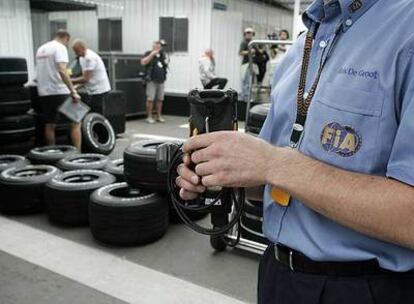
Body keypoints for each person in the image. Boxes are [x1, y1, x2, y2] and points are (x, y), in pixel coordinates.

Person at [176, 0, 414, 303]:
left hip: (363, 288)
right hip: (277, 273)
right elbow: (272, 180)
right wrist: (223, 173)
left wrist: (272, 163)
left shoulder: (406, 29)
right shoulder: (302, 47)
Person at [35, 29, 81, 149]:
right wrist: (73, 91)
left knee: (50, 124)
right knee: (75, 122)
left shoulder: (41, 49)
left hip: (44, 92)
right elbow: (62, 69)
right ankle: (78, 155)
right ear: (66, 38)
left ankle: (52, 153)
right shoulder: (60, 48)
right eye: (67, 42)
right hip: (60, 91)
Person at [71, 39, 111, 113]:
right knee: (91, 111)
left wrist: (69, 81)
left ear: (82, 48)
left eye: (77, 51)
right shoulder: (81, 58)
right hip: (92, 90)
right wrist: (75, 87)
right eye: (75, 51)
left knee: (97, 113)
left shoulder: (90, 57)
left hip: (100, 90)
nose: (76, 53)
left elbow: (86, 79)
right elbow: (87, 78)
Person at [140, 41, 168, 124]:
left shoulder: (162, 55)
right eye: (156, 47)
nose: (158, 48)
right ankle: (149, 116)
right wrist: (152, 54)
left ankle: (159, 116)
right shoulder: (148, 53)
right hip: (151, 80)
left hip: (161, 80)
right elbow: (143, 62)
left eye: (159, 47)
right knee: (150, 99)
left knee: (160, 99)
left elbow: (166, 64)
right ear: (153, 47)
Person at [239, 28, 258, 101]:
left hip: (251, 63)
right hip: (246, 64)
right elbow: (240, 52)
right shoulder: (244, 42)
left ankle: (246, 97)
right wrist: (250, 51)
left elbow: (258, 51)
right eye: (248, 33)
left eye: (250, 33)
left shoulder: (253, 43)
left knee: (249, 81)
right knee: (246, 81)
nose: (249, 34)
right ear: (245, 34)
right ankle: (245, 98)